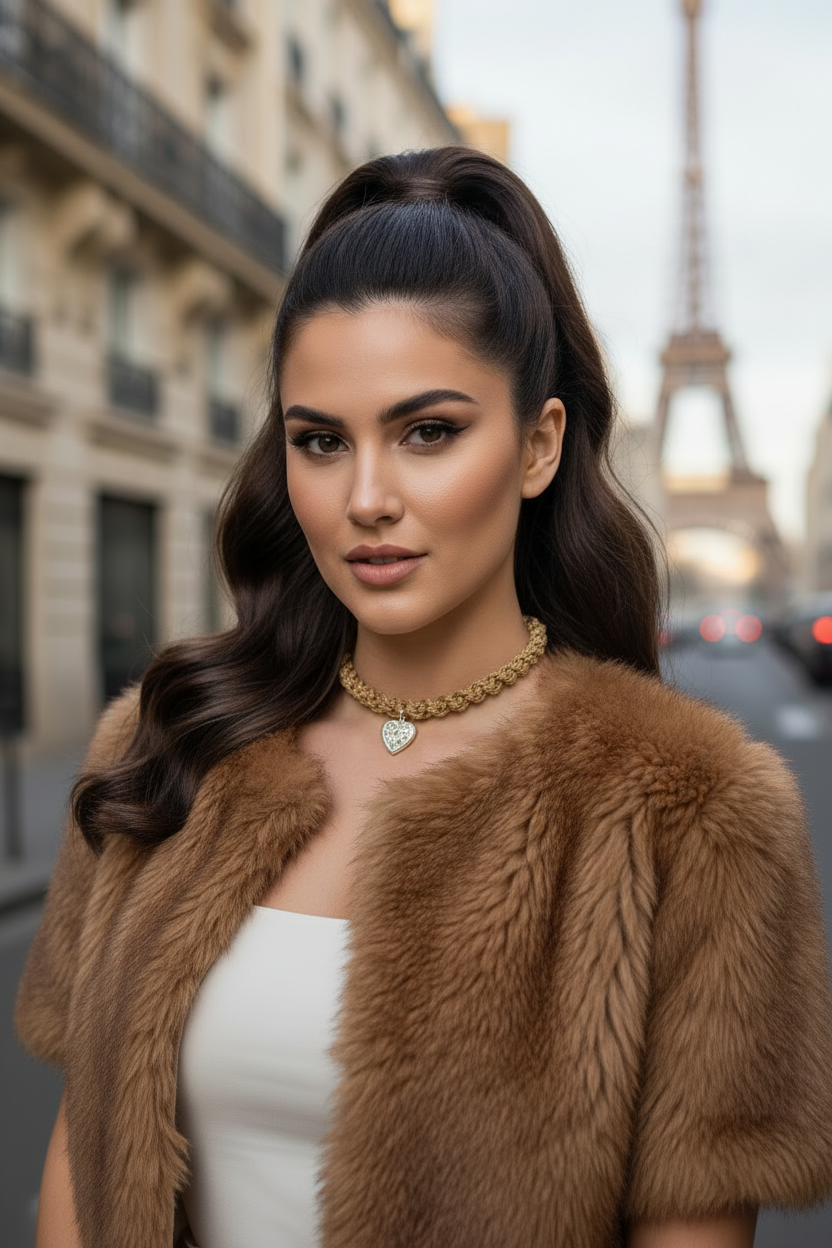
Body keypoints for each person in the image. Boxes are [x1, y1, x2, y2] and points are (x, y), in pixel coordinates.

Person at [17, 147, 832, 1248]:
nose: (365, 499)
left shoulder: (688, 815)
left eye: (427, 432)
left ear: (539, 445)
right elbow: (82, 1150)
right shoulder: (168, 749)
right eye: (319, 442)